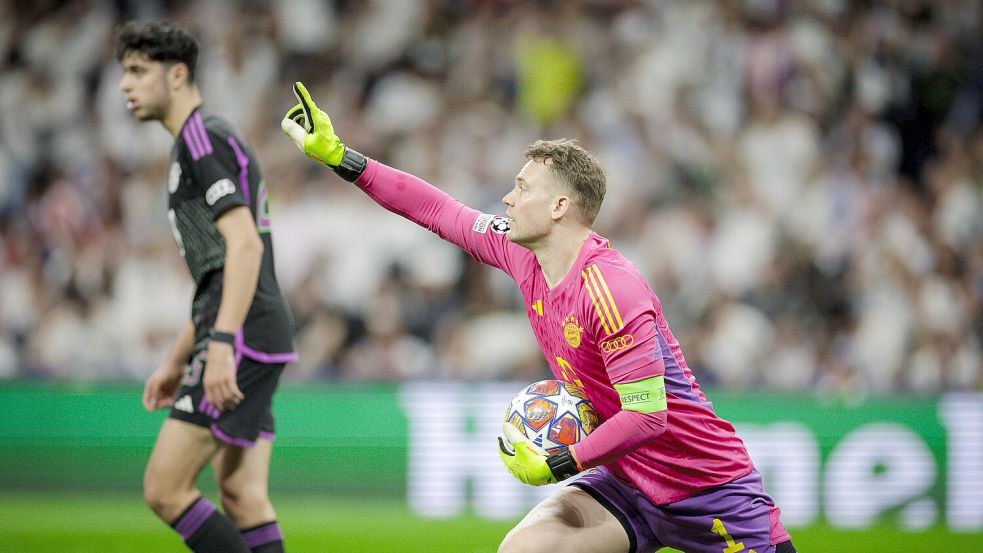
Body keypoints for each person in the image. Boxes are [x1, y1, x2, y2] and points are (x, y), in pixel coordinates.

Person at [281, 82, 797, 553]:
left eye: (522, 187)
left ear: (559, 206)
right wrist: (340, 157)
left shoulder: (612, 289)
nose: (507, 197)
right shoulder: (519, 254)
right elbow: (438, 210)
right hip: (622, 480)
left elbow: (649, 415)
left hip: (703, 486)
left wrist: (564, 461)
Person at [117, 22, 296, 553]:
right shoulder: (195, 143)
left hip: (240, 335)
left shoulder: (202, 138)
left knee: (165, 489)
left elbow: (244, 246)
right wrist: (178, 358)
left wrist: (218, 347)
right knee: (241, 495)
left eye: (136, 71)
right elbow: (217, 271)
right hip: (252, 328)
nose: (124, 86)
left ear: (176, 75)